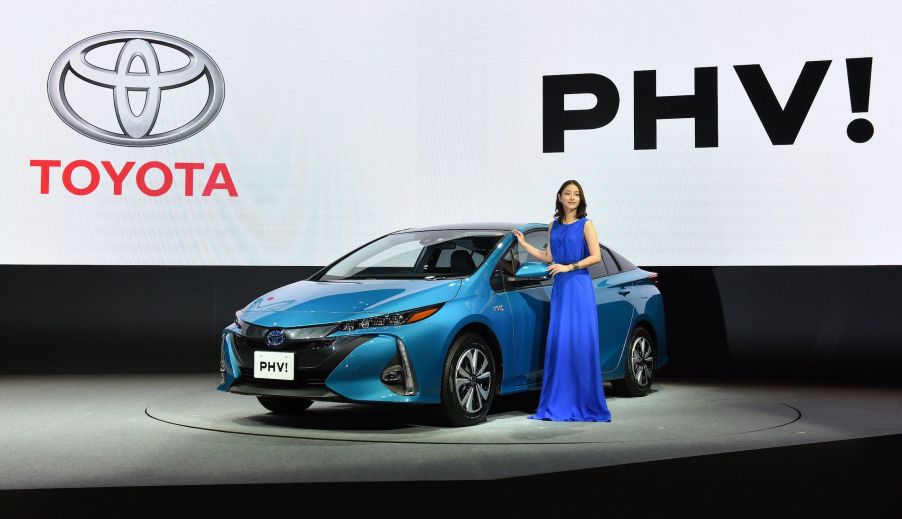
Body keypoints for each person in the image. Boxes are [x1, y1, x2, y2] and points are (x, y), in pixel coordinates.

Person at [512, 180, 612, 422]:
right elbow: (549, 256)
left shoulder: (586, 224)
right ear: (559, 197)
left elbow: (596, 256)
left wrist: (570, 266)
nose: (571, 198)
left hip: (578, 285)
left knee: (579, 341)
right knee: (561, 342)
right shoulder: (553, 225)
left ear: (581, 199)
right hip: (561, 289)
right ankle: (560, 400)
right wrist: (525, 245)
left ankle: (584, 402)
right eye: (567, 193)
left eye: (576, 194)